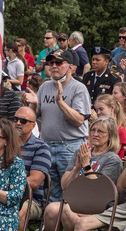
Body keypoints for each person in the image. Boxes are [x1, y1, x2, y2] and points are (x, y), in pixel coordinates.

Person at [39, 116, 124, 231]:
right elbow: (64, 185)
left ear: (110, 136)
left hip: (98, 207)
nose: (95, 134)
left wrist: (86, 166)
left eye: (100, 131)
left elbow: (100, 191)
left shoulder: (112, 159)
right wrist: (78, 166)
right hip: (74, 204)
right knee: (51, 209)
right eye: (93, 130)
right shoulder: (81, 153)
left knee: (64, 209)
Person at [37, 48, 91, 202]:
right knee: (52, 192)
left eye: (58, 63)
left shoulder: (78, 88)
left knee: (71, 191)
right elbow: (37, 115)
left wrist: (60, 102)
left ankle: (72, 223)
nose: (53, 66)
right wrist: (32, 105)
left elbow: (79, 120)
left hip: (70, 146)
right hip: (47, 145)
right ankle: (53, 225)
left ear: (70, 66)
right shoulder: (44, 87)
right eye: (51, 63)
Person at [14, 106, 52, 225]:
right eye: (15, 119)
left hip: (31, 200)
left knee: (19, 211)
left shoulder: (41, 148)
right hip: (1, 194)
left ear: (33, 125)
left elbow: (35, 182)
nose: (18, 123)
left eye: (23, 121)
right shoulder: (3, 144)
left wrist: (6, 186)